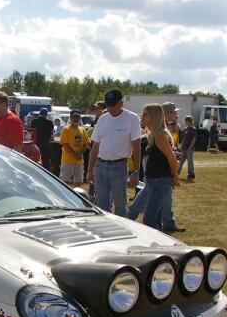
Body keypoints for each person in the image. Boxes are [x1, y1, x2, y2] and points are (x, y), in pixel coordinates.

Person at [86, 88, 141, 216]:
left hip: (119, 166)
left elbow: (137, 147)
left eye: (113, 105)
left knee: (120, 206)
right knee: (101, 206)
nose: (110, 108)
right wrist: (90, 170)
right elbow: (95, 146)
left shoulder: (132, 118)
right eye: (108, 104)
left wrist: (136, 171)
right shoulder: (102, 119)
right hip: (100, 166)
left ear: (121, 103)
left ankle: (123, 232)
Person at [140, 104, 180, 230]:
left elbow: (172, 159)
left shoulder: (159, 135)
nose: (142, 116)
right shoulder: (153, 134)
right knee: (155, 220)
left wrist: (175, 176)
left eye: (145, 114)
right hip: (154, 182)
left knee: (149, 220)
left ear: (154, 116)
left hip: (160, 182)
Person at [160, 102, 186, 232]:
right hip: (161, 169)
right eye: (174, 112)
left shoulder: (164, 126)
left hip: (160, 168)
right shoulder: (162, 128)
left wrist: (172, 152)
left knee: (162, 196)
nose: (176, 115)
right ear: (167, 113)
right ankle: (167, 222)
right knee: (148, 195)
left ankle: (168, 222)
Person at [59, 110, 90, 185]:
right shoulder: (66, 129)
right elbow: (65, 144)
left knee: (78, 182)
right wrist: (74, 154)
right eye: (73, 117)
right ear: (70, 118)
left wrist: (80, 153)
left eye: (77, 117)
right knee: (64, 182)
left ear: (80, 118)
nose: (75, 119)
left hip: (79, 161)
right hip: (67, 161)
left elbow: (86, 143)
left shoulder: (82, 129)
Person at [178, 115, 196, 180]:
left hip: (189, 149)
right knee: (180, 161)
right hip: (183, 148)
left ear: (189, 121)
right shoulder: (185, 129)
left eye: (186, 121)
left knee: (190, 162)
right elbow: (183, 139)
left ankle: (191, 174)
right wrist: (181, 146)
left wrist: (190, 147)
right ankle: (177, 173)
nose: (185, 122)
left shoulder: (193, 129)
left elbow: (194, 139)